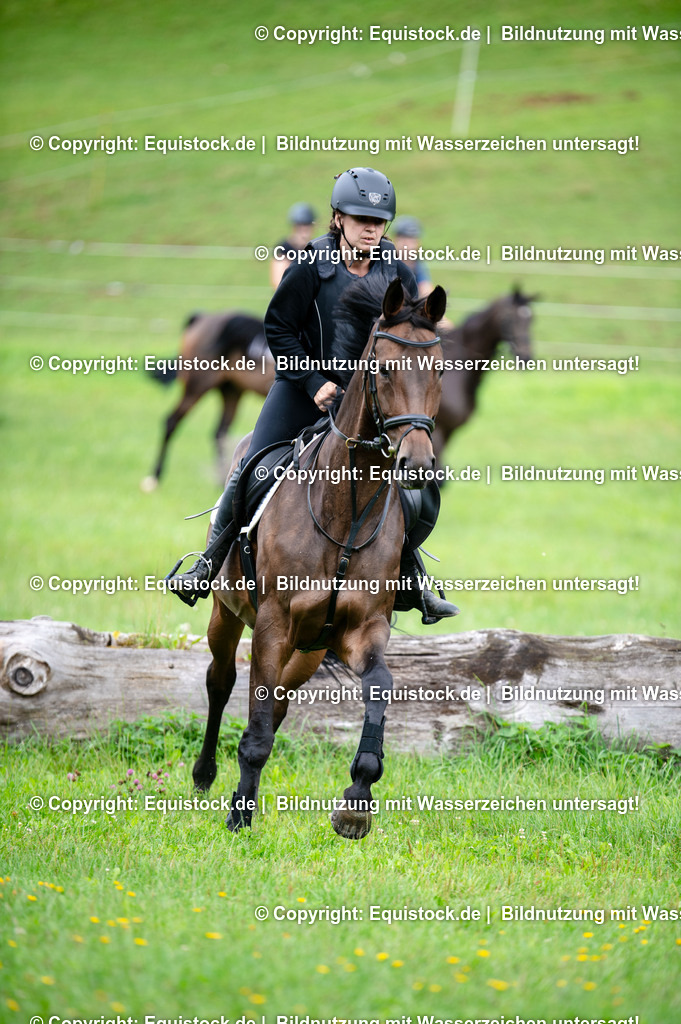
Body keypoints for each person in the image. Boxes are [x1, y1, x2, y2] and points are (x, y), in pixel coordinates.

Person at [167, 167, 458, 622]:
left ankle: (411, 578)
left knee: (417, 491)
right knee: (253, 467)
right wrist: (312, 381)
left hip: (369, 404)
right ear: (338, 218)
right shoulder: (308, 266)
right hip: (302, 390)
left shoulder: (396, 271)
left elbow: (406, 339)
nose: (371, 228)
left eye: (379, 222)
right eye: (361, 218)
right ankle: (208, 564)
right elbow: (278, 328)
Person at [269, 201, 317, 289]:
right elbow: (278, 283)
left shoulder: (315, 249)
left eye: (307, 225)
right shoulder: (283, 249)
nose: (304, 230)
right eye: (301, 225)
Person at [392, 215, 432, 298]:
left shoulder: (417, 264)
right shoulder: (386, 262)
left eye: (412, 241)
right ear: (396, 239)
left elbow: (426, 289)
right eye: (405, 240)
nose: (409, 246)